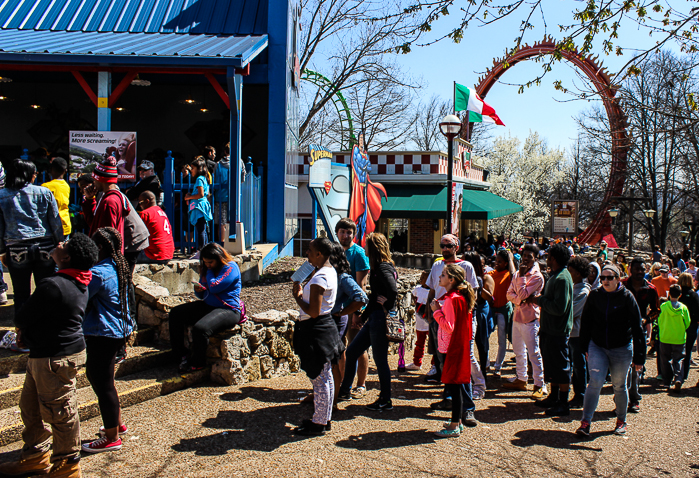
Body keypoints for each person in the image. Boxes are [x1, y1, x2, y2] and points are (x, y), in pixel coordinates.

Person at [0, 233, 98, 477]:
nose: (59, 243)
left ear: (66, 257)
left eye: (64, 244)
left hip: (55, 358)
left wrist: (23, 329)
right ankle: (35, 454)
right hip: (45, 355)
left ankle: (67, 464)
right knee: (30, 407)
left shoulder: (54, 284)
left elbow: (23, 315)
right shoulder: (78, 280)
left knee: (61, 413)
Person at [576, 264, 645, 437]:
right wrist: (584, 347)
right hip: (597, 345)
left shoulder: (627, 297)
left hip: (622, 348)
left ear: (618, 278)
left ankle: (621, 421)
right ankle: (585, 422)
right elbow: (586, 323)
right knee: (595, 382)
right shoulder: (595, 295)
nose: (605, 281)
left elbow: (638, 328)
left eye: (609, 278)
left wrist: (639, 357)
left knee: (619, 385)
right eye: (602, 278)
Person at [81, 228, 134, 454]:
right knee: (104, 381)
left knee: (102, 383)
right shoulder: (118, 266)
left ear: (99, 248)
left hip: (102, 333)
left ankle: (111, 437)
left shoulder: (98, 273)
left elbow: (80, 295)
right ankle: (116, 423)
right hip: (116, 330)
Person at [338, 232, 397, 411]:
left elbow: (392, 290)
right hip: (373, 318)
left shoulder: (382, 268)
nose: (364, 249)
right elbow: (373, 297)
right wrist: (363, 317)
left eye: (367, 246)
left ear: (373, 248)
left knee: (380, 361)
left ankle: (385, 399)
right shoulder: (384, 266)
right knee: (353, 350)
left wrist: (388, 305)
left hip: (379, 319)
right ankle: (345, 389)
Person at [291, 238, 344, 435]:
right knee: (326, 376)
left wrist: (297, 297)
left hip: (316, 329)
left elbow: (313, 311)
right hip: (325, 326)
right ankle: (324, 417)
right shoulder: (329, 271)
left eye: (310, 250)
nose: (307, 253)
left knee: (320, 378)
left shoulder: (321, 277)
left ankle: (319, 423)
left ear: (320, 254)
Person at [0, 159, 63, 317]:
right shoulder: (44, 192)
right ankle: (45, 327)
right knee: (46, 290)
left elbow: (0, 227)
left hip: (16, 249)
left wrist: (2, 251)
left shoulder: (2, 196)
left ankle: (23, 333)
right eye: (34, 173)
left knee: (21, 294)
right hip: (45, 247)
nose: (36, 176)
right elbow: (55, 222)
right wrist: (59, 243)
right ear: (27, 174)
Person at [168, 243, 244, 372]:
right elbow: (202, 293)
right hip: (209, 305)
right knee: (176, 313)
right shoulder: (208, 270)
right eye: (205, 262)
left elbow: (214, 286)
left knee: (200, 329)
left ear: (219, 258)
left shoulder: (230, 267)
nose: (208, 265)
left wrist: (208, 271)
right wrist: (198, 289)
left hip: (228, 309)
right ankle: (180, 353)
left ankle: (198, 362)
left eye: (210, 262)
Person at [425, 234, 477, 410]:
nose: (445, 249)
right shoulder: (437, 265)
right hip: (439, 318)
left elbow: (473, 292)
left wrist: (467, 315)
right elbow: (432, 290)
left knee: (462, 362)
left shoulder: (466, 266)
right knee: (444, 361)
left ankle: (467, 407)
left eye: (449, 245)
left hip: (459, 321)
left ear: (457, 247)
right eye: (442, 245)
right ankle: (449, 398)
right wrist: (430, 313)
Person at [430, 264, 478, 437]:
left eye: (443, 275)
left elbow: (449, 326)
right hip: (457, 346)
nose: (440, 277)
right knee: (456, 386)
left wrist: (436, 312)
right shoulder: (459, 297)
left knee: (454, 387)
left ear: (451, 280)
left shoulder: (451, 299)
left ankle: (454, 426)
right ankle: (456, 420)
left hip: (450, 347)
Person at [529, 243, 574, 416]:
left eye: (548, 256)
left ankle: (563, 402)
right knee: (551, 365)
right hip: (550, 329)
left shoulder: (562, 278)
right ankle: (554, 397)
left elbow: (559, 307)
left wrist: (539, 300)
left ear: (553, 259)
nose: (546, 259)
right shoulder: (557, 276)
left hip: (558, 330)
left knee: (561, 367)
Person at [503, 244, 546, 399]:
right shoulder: (518, 274)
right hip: (517, 317)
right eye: (524, 255)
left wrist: (520, 285)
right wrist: (520, 300)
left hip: (530, 319)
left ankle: (539, 384)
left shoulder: (536, 276)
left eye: (530, 256)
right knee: (518, 351)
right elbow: (510, 294)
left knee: (534, 352)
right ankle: (521, 378)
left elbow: (520, 293)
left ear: (535, 258)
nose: (526, 259)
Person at [335, 218, 370, 399]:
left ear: (353, 234)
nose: (345, 235)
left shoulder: (359, 253)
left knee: (357, 347)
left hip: (353, 307)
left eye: (349, 232)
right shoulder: (333, 252)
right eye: (342, 232)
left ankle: (361, 384)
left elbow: (361, 285)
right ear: (337, 233)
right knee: (340, 348)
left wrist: (357, 312)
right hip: (337, 308)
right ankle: (340, 383)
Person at [328, 243, 368, 402]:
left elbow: (362, 295)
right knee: (337, 354)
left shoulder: (343, 276)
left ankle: (355, 386)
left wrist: (347, 312)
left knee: (344, 352)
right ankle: (339, 387)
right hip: (332, 319)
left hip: (338, 319)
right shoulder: (326, 273)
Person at [621, 257, 658, 413]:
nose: (640, 272)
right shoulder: (622, 285)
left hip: (640, 331)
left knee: (637, 365)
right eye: (637, 269)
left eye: (643, 269)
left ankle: (634, 399)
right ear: (630, 269)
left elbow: (656, 310)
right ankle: (621, 400)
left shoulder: (651, 289)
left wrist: (646, 319)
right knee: (622, 366)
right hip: (621, 330)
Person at [462, 251, 491, 399]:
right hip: (471, 314)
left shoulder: (478, 279)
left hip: (476, 314)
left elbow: (486, 297)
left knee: (476, 348)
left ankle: (480, 381)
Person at [82, 156, 126, 248]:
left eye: (94, 180)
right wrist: (90, 200)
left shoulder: (109, 202)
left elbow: (107, 237)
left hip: (105, 258)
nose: (93, 183)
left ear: (100, 179)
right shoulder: (111, 197)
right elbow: (94, 223)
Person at [567, 255, 591, 409]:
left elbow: (572, 311)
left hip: (577, 333)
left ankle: (580, 394)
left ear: (578, 273)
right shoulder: (573, 288)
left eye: (571, 271)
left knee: (578, 365)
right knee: (572, 364)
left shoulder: (583, 292)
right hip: (570, 333)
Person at [657, 284, 691, 391]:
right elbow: (688, 322)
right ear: (680, 295)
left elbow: (658, 320)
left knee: (665, 359)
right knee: (679, 359)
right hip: (679, 337)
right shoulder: (683, 308)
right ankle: (678, 378)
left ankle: (667, 381)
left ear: (669, 293)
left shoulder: (663, 306)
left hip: (665, 337)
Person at [487, 250, 515, 377]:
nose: (496, 263)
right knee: (486, 336)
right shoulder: (490, 274)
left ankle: (498, 365)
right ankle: (486, 363)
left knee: (502, 338)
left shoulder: (509, 275)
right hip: (491, 309)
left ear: (505, 263)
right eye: (496, 261)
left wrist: (510, 259)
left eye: (500, 262)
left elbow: (514, 274)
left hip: (503, 309)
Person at [136, 191, 174, 264]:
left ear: (147, 201)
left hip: (154, 255)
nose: (140, 205)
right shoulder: (162, 212)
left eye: (140, 203)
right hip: (168, 254)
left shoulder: (145, 213)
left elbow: (137, 235)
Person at [184, 157, 212, 251]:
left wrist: (189, 197)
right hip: (202, 206)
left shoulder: (199, 179)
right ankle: (204, 249)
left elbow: (200, 194)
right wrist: (191, 195)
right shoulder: (204, 178)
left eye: (193, 168)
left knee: (200, 230)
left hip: (199, 207)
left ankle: (201, 250)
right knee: (203, 230)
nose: (191, 170)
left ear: (198, 169)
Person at [41, 157, 72, 239]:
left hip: (51, 226)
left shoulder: (45, 187)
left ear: (51, 170)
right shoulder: (66, 186)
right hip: (65, 225)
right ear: (65, 171)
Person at [676, 273, 699, 384]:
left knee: (675, 349)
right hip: (691, 325)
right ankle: (684, 374)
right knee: (688, 350)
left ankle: (675, 373)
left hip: (677, 325)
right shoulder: (694, 295)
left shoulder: (677, 294)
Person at [407, 270, 431, 371]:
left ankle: (434, 364)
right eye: (421, 277)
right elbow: (413, 295)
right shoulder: (417, 289)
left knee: (433, 344)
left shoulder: (432, 291)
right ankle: (417, 362)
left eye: (423, 277)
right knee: (419, 343)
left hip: (429, 323)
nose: (421, 279)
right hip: (420, 323)